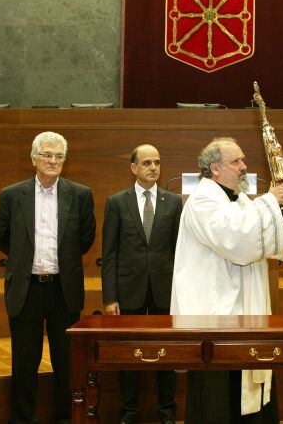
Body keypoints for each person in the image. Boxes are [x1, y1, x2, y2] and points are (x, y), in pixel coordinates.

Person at [170, 137, 283, 424]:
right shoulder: (202, 200)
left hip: (240, 312)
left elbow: (259, 239)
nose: (244, 166)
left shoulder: (238, 199)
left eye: (243, 160)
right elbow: (236, 241)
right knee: (218, 395)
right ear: (215, 168)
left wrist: (279, 210)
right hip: (215, 315)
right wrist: (269, 201)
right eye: (236, 161)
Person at [0, 131, 96, 424]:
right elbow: (2, 237)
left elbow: (85, 239)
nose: (53, 161)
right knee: (25, 361)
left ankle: (65, 418)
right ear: (34, 158)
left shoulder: (79, 194)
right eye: (47, 155)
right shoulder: (12, 195)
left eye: (59, 156)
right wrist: (25, 257)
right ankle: (22, 418)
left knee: (66, 361)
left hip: (63, 290)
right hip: (26, 289)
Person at [102, 144, 182, 424]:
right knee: (128, 354)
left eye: (157, 162)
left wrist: (179, 294)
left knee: (168, 354)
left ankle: (167, 413)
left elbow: (179, 252)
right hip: (128, 291)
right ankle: (129, 412)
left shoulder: (173, 202)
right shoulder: (116, 202)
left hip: (164, 291)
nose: (153, 168)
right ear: (134, 168)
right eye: (147, 163)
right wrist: (110, 297)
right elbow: (109, 253)